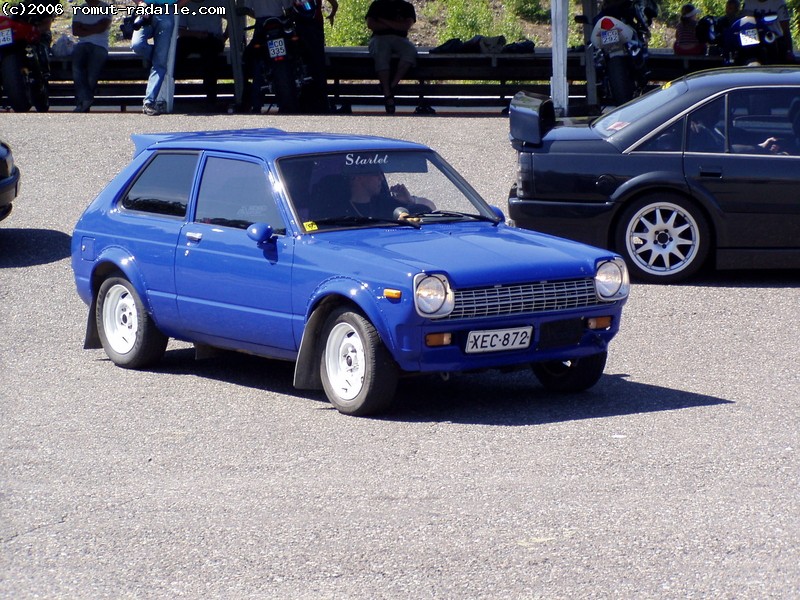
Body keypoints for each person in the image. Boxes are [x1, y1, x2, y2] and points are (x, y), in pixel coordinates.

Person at [131, 0, 192, 115]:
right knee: (137, 45)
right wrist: (140, 2)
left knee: (160, 63)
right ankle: (158, 57)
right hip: (146, 10)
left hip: (166, 11)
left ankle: (149, 101)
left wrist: (175, 7)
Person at [365, 0, 417, 114]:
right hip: (379, 38)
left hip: (400, 39)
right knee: (381, 54)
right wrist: (395, 25)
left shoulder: (407, 7)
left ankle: (390, 86)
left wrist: (383, 21)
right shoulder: (377, 5)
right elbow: (371, 24)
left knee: (410, 52)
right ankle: (388, 94)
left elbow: (405, 26)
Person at [175, 0, 228, 111]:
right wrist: (197, 34)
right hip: (193, 37)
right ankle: (170, 88)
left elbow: (233, 19)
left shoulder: (218, 2)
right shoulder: (186, 4)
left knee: (210, 56)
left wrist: (224, 37)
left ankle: (211, 99)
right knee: (178, 47)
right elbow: (181, 30)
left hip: (213, 38)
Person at [293, 0, 338, 113]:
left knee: (302, 62)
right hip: (315, 27)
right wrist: (332, 14)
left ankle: (304, 100)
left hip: (298, 26)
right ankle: (321, 102)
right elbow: (334, 4)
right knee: (317, 64)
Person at [71, 0, 111, 112]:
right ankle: (85, 100)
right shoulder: (79, 9)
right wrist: (94, 27)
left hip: (100, 45)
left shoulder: (106, 7)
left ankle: (83, 102)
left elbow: (102, 27)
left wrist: (84, 27)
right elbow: (76, 31)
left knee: (92, 72)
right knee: (76, 67)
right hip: (82, 44)